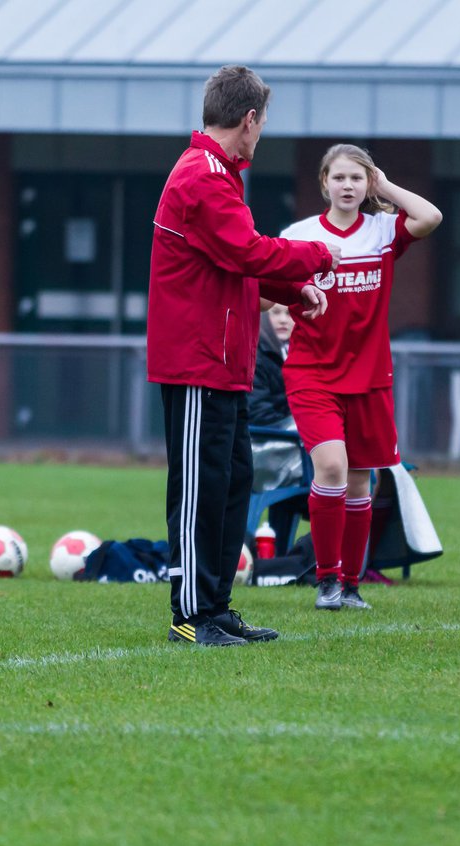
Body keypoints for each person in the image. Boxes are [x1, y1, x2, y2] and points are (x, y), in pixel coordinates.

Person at [147, 65, 340, 647]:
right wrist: (319, 257)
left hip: (224, 361)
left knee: (233, 480)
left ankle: (217, 606)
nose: (262, 134)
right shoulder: (201, 176)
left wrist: (292, 290)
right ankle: (191, 613)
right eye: (263, 123)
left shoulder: (218, 174)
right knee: (198, 486)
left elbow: (237, 264)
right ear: (249, 119)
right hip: (196, 361)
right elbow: (250, 250)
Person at [279, 144, 442, 611]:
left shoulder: (382, 230)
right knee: (330, 467)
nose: (347, 186)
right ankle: (326, 582)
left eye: (357, 178)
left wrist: (385, 187)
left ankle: (350, 586)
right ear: (324, 183)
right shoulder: (301, 234)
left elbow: (429, 217)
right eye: (339, 178)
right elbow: (268, 287)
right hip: (312, 373)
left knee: (359, 483)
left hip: (370, 376)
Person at [249, 304, 294, 428]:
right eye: (276, 312)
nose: (283, 320)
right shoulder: (254, 355)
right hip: (266, 434)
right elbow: (258, 412)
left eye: (289, 314)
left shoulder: (297, 351)